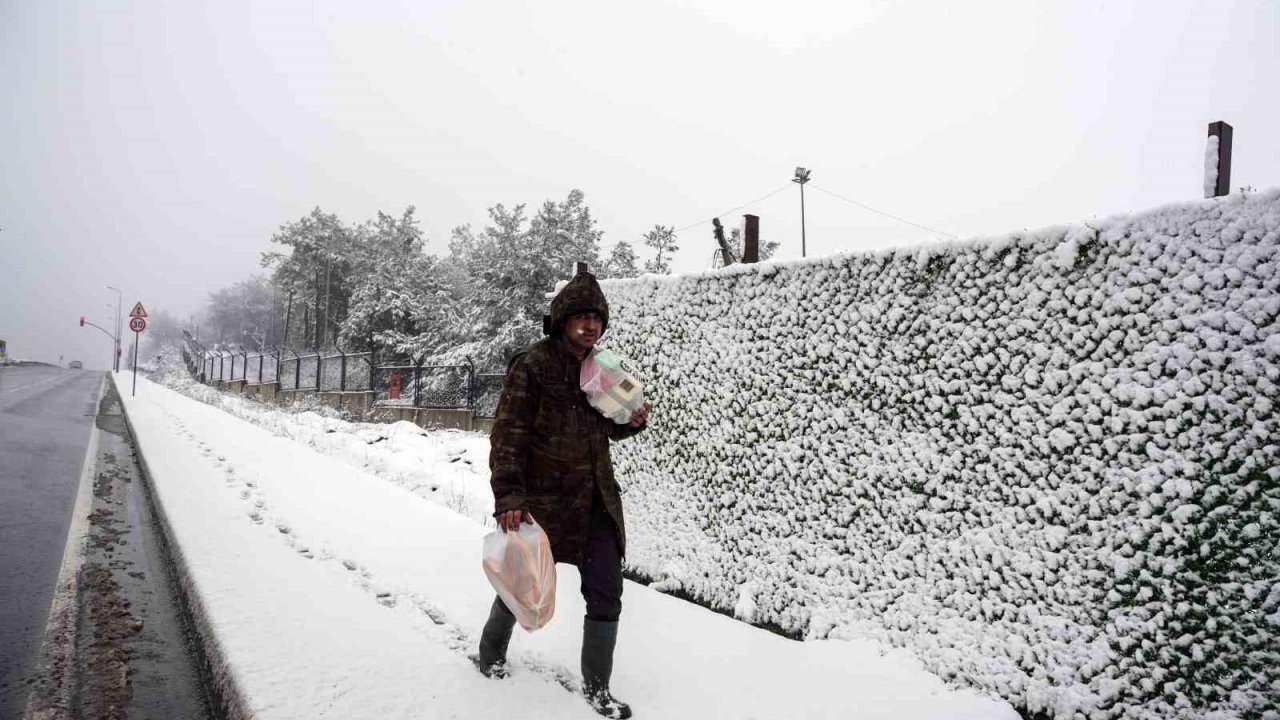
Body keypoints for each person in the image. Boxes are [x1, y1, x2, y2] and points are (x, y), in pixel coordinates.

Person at [478, 271, 650, 719]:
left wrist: (629, 422)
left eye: (596, 318)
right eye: (581, 317)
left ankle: (598, 690)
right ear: (562, 319)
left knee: (607, 590)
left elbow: (603, 425)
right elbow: (508, 434)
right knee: (524, 582)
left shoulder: (602, 367)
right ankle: (491, 653)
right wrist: (510, 497)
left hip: (595, 500)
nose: (590, 326)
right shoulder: (533, 364)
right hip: (544, 503)